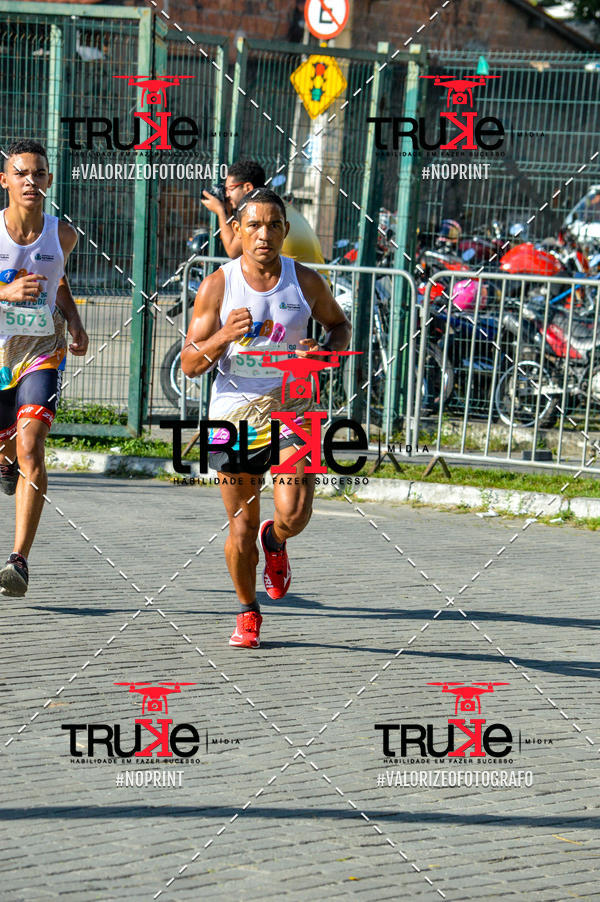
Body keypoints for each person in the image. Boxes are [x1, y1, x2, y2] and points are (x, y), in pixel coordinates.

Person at [181, 188, 350, 648]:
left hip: (293, 409)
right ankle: (247, 611)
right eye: (253, 225)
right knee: (239, 528)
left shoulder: (305, 281)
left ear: (284, 230)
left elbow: (339, 327)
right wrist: (223, 337)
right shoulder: (219, 284)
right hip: (233, 414)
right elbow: (190, 363)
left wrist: (323, 355)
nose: (263, 235)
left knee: (293, 513)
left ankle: (275, 541)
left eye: (273, 225)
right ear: (237, 230)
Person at [0, 139, 88, 596]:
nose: (30, 181)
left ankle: (18, 561)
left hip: (41, 351)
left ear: (49, 181)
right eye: (21, 173)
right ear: (5, 180)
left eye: (38, 173)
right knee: (9, 448)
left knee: (33, 447)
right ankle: (6, 459)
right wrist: (5, 293)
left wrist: (74, 320)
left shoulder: (63, 235)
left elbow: (59, 283)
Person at [201, 159, 325, 265]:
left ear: (248, 188)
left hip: (306, 287)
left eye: (230, 189)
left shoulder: (261, 211)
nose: (227, 195)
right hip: (316, 282)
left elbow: (233, 252)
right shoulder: (276, 204)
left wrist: (220, 211)